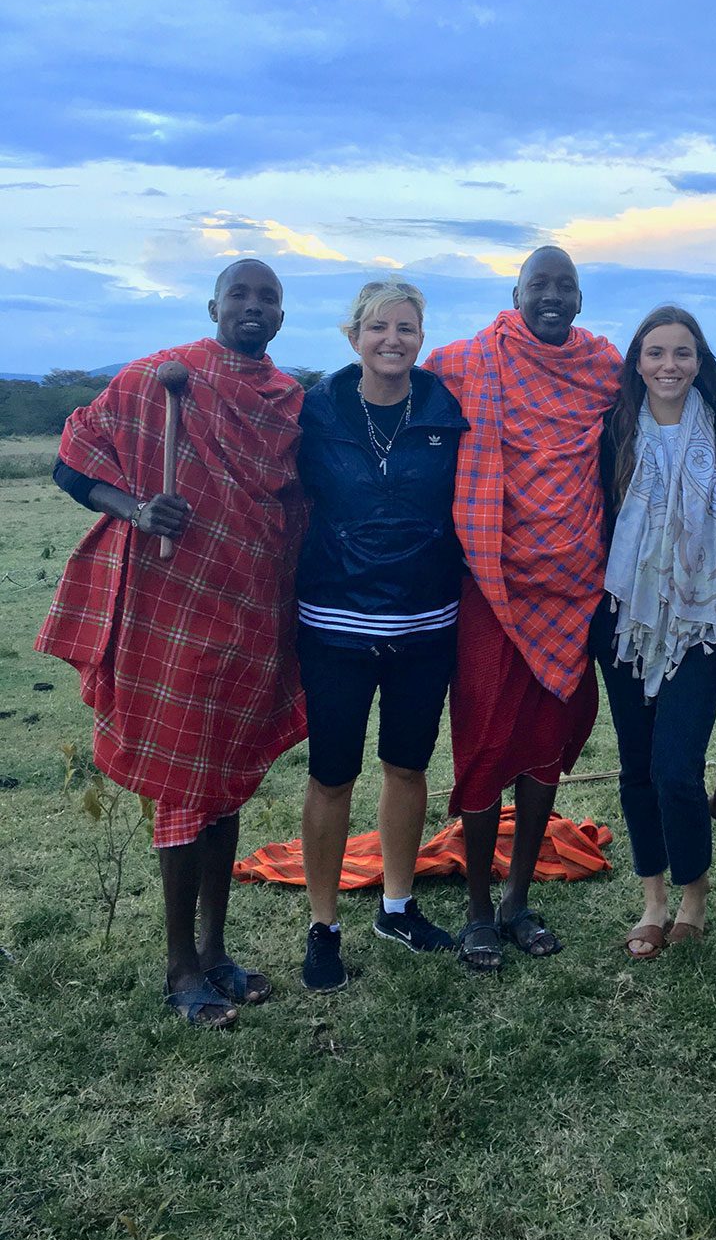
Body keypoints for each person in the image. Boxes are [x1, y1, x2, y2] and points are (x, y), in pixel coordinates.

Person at [36, 259, 305, 1028]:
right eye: (241, 295)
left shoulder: (286, 401)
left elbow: (300, 502)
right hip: (175, 616)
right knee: (186, 789)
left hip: (251, 613)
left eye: (269, 298)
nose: (253, 308)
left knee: (224, 786)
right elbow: (72, 456)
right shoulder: (162, 377)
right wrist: (135, 509)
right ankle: (179, 967)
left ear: (282, 317)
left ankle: (218, 953)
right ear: (213, 303)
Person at [425, 245, 623, 971]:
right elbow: (392, 384)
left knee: (546, 743)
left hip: (573, 585)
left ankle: (516, 900)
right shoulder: (467, 361)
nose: (551, 295)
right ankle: (478, 909)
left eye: (564, 285)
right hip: (489, 584)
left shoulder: (604, 368)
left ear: (580, 299)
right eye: (539, 283)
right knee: (481, 743)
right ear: (515, 292)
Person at [296, 280, 468, 992]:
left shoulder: (446, 409)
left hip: (426, 621)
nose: (392, 339)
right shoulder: (314, 409)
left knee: (407, 766)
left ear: (421, 336)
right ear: (353, 335)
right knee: (332, 774)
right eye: (377, 327)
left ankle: (398, 907)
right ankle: (324, 925)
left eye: (406, 327)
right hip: (335, 622)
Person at [593, 306, 716, 959]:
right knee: (637, 768)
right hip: (626, 624)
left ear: (700, 362)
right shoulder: (612, 432)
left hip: (703, 623)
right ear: (637, 363)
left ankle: (693, 897)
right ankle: (653, 899)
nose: (669, 365)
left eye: (682, 353)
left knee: (677, 769)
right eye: (656, 353)